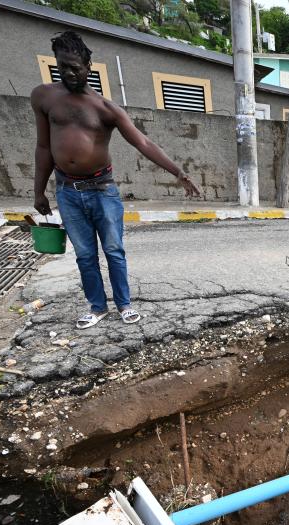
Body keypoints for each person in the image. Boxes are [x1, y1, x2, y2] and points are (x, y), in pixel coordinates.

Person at [31, 31, 199, 329]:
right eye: (63, 67)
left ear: (88, 67)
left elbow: (143, 143)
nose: (69, 73)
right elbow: (43, 146)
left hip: (101, 189)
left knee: (113, 251)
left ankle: (123, 304)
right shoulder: (44, 97)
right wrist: (39, 191)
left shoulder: (106, 109)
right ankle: (97, 307)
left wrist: (178, 172)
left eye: (75, 67)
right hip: (67, 190)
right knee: (84, 255)